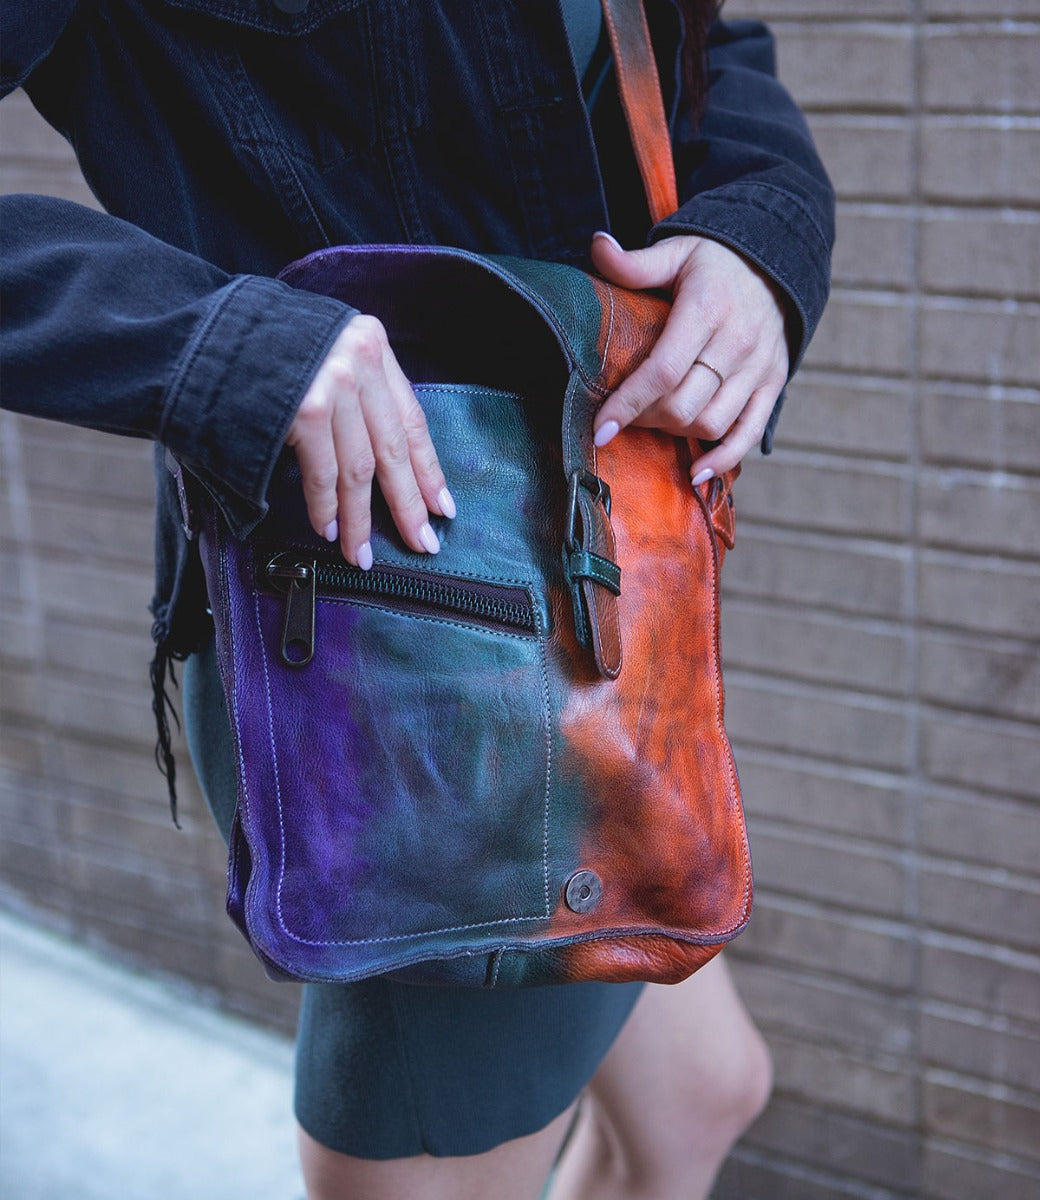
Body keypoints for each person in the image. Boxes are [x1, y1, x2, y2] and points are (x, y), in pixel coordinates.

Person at [1, 1, 834, 1196]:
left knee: (703, 1096)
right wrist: (219, 344)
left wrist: (758, 238)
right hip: (392, 653)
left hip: (606, 575)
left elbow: (710, 43)